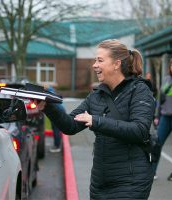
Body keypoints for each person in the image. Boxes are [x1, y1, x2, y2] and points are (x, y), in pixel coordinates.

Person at [36, 39, 155, 199]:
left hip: (131, 182)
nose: (94, 65)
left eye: (100, 60)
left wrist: (96, 121)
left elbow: (139, 130)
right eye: (95, 60)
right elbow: (70, 126)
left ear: (116, 64)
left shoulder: (139, 91)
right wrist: (48, 107)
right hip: (101, 182)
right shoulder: (96, 95)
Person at [44, 84, 65, 153]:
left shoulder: (48, 94)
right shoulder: (52, 92)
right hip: (59, 113)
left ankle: (57, 146)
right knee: (56, 130)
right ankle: (58, 145)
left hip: (57, 114)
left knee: (56, 130)